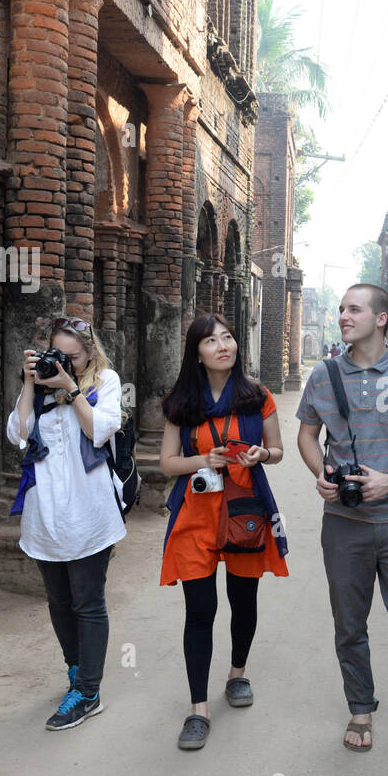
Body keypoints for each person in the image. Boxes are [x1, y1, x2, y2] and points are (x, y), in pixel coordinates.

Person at [296, 283, 388, 751]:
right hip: (344, 522)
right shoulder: (323, 376)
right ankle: (360, 706)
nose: (344, 315)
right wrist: (321, 472)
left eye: (354, 309)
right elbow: (306, 435)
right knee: (349, 622)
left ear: (381, 319)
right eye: (341, 309)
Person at [159, 314, 289, 751]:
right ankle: (198, 708)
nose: (223, 345)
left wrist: (260, 452)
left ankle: (237, 673)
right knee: (199, 610)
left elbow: (278, 452)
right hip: (196, 516)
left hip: (244, 511)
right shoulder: (181, 401)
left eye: (228, 337)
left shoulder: (257, 396)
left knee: (243, 598)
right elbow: (168, 463)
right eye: (211, 340)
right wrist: (204, 460)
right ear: (196, 351)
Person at [6, 316, 126, 731]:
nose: (64, 364)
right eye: (58, 356)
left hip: (90, 513)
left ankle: (89, 692)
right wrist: (29, 384)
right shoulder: (39, 389)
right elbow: (19, 435)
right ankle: (75, 674)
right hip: (46, 515)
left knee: (87, 602)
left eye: (72, 357)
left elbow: (99, 430)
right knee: (58, 602)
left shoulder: (105, 382)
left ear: (89, 353)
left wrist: (71, 389)